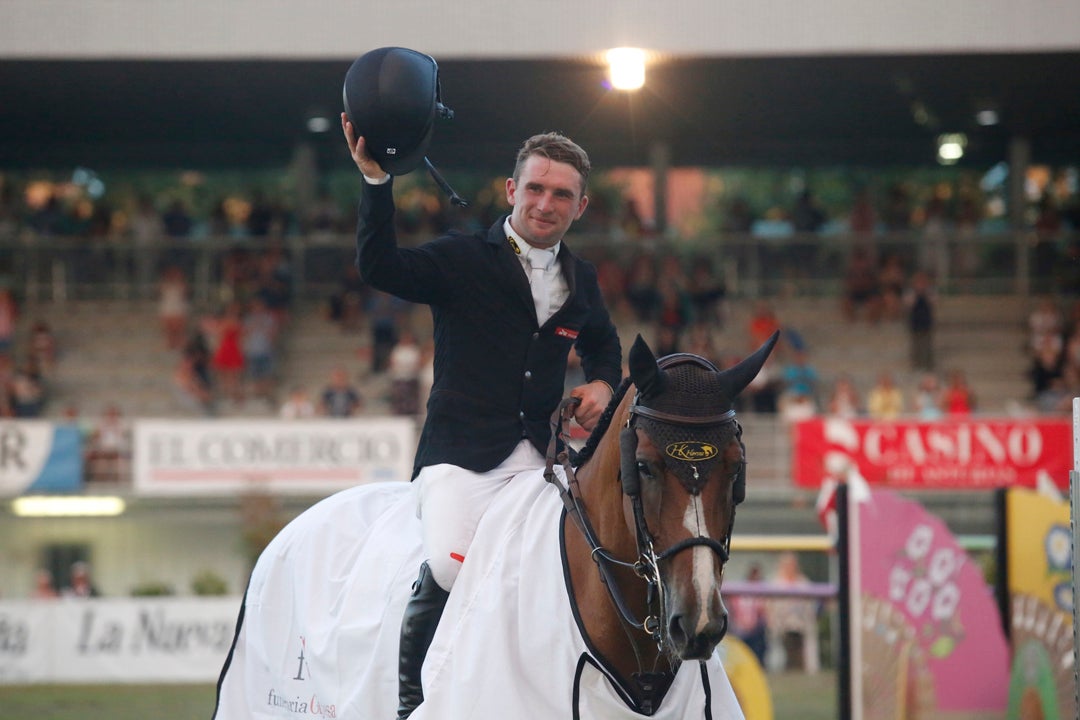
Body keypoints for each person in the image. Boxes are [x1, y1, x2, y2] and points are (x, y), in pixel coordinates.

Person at [344, 117, 622, 719]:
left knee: (558, 575)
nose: (545, 204)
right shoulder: (460, 257)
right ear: (510, 191)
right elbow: (381, 268)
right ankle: (411, 704)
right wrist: (374, 181)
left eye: (562, 195)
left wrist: (602, 383)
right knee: (449, 566)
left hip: (540, 457)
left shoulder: (583, 279)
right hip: (459, 452)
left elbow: (604, 347)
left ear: (581, 205)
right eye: (535, 190)